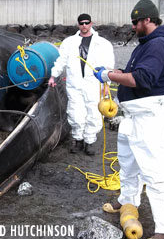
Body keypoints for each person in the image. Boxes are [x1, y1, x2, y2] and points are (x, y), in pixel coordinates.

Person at [93, 0, 164, 239]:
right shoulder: (145, 44)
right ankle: (128, 200)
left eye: (136, 22)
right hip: (133, 116)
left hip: (150, 117)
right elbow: (135, 72)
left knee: (155, 173)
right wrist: (116, 71)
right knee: (128, 163)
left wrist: (108, 76)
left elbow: (142, 79)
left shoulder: (158, 45)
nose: (133, 26)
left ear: (148, 20)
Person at [48, 13, 115, 155]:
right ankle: (78, 140)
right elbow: (61, 61)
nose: (84, 26)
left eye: (86, 23)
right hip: (74, 84)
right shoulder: (69, 42)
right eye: (81, 23)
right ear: (78, 25)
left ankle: (90, 141)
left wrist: (106, 85)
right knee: (75, 112)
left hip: (94, 84)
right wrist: (53, 76)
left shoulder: (103, 44)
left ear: (91, 23)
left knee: (94, 112)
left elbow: (109, 66)